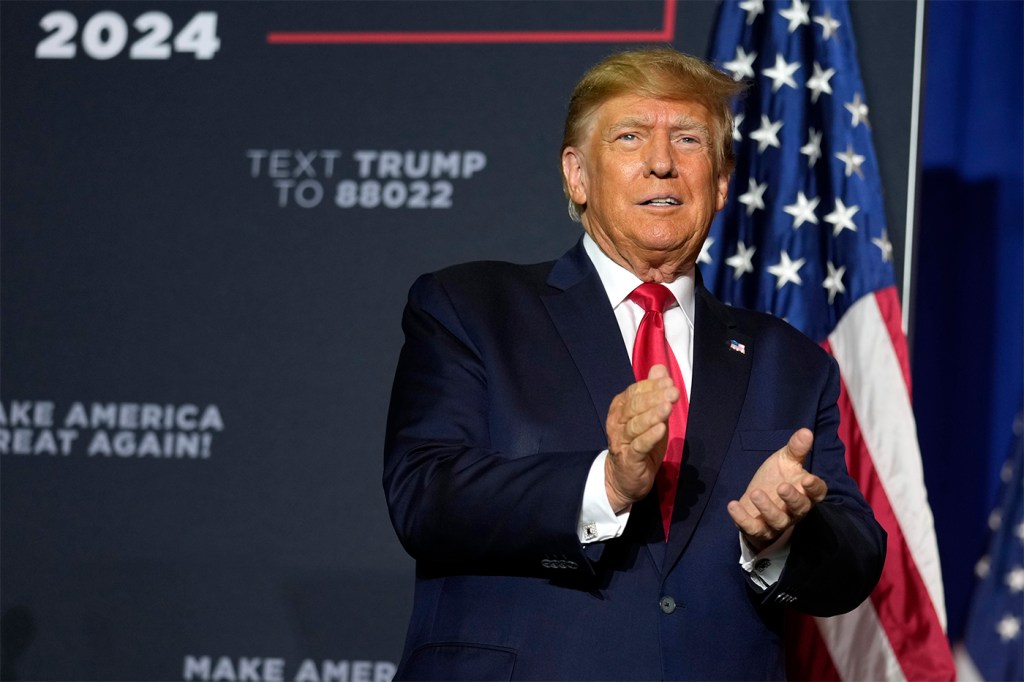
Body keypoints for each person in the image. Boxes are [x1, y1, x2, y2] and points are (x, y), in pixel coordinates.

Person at [383, 47, 886, 681]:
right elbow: (425, 497)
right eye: (630, 137)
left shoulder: (790, 361)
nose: (661, 163)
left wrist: (781, 534)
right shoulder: (471, 308)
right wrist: (606, 484)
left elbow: (857, 560)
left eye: (688, 139)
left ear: (722, 181)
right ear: (577, 175)